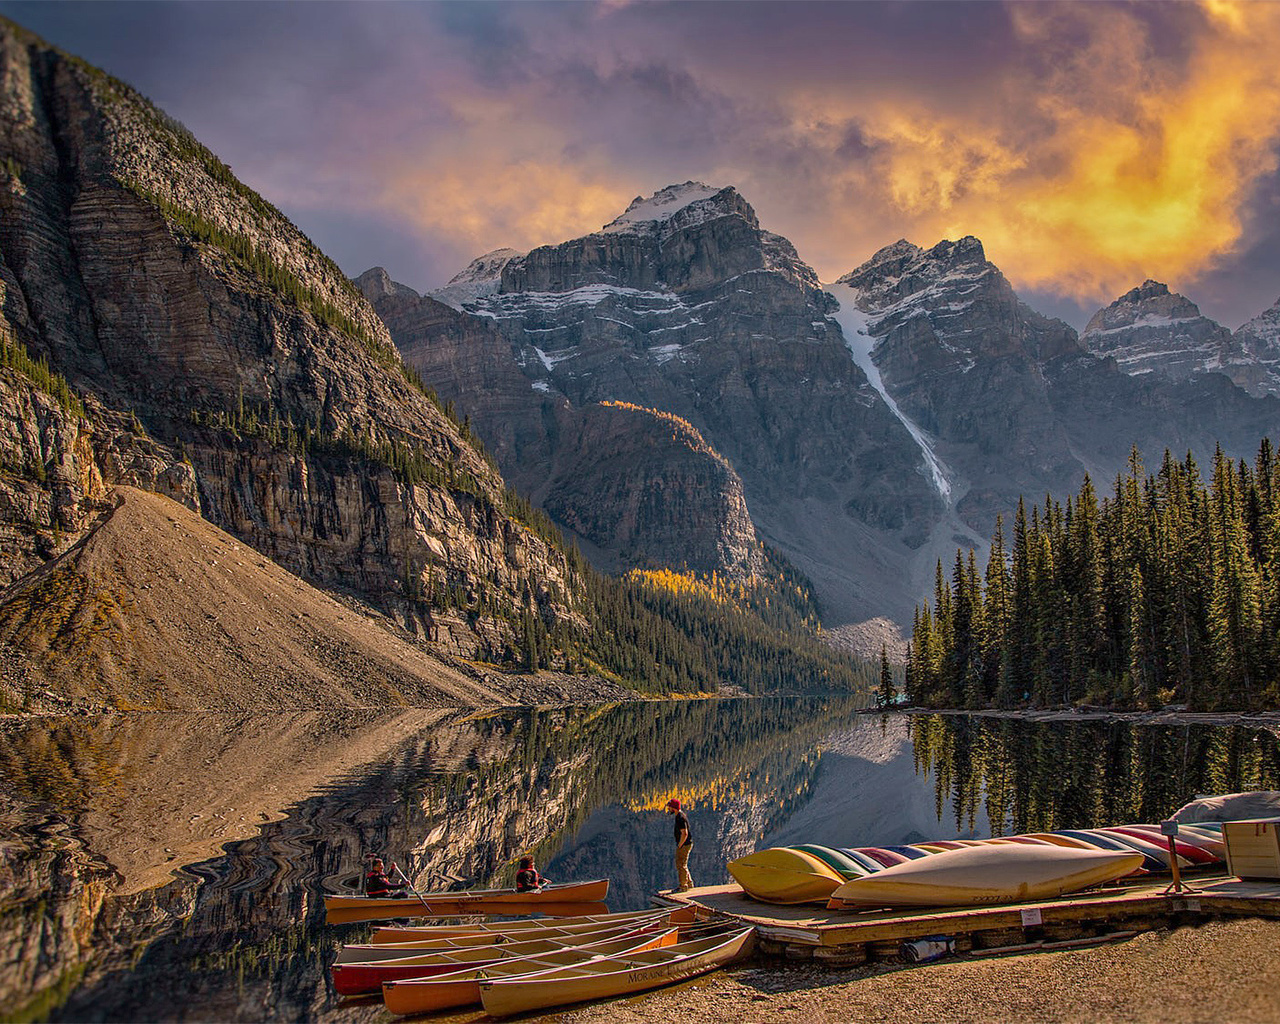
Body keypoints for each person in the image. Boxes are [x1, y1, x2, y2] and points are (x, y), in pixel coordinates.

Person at [665, 798, 694, 891]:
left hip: (684, 845)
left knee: (680, 865)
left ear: (674, 808)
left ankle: (683, 886)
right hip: (686, 844)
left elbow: (684, 833)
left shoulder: (680, 818)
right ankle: (689, 883)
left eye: (669, 807)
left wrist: (680, 845)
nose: (668, 809)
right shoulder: (680, 816)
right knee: (683, 864)